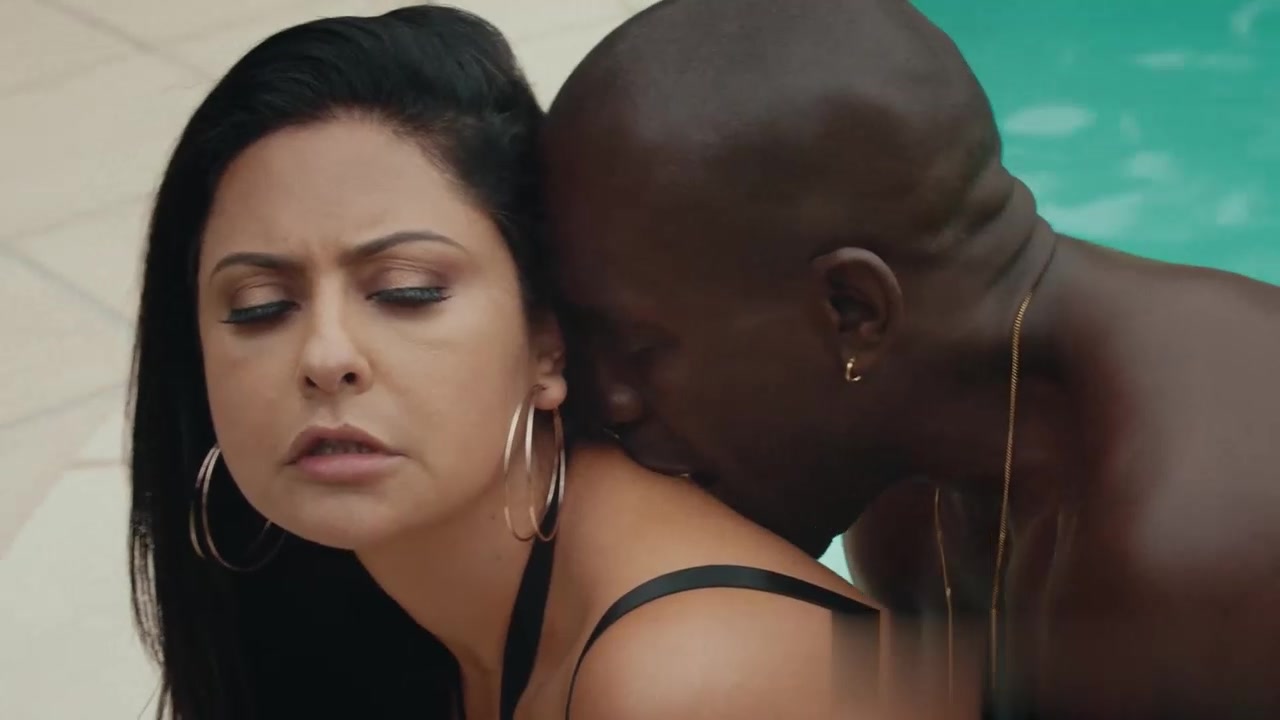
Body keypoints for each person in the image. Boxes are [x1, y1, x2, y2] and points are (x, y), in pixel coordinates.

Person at [126, 6, 890, 720]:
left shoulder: (685, 676)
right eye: (259, 306)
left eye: (405, 291)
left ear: (547, 338)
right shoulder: (372, 608)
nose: (326, 356)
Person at [541, 0, 1280, 717]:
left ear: (851, 311)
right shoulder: (900, 476)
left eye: (638, 349)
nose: (606, 399)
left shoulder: (1206, 555)